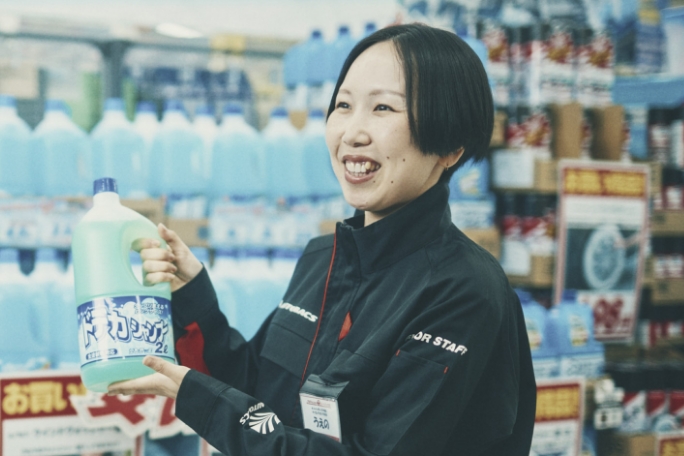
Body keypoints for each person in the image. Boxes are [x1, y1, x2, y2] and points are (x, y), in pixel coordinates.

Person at [110, 23, 536, 455]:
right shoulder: (324, 258)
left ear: (450, 147)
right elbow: (259, 392)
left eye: (383, 108)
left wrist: (208, 403)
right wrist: (193, 295)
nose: (352, 132)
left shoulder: (463, 291)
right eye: (344, 105)